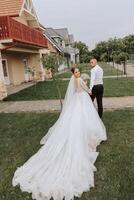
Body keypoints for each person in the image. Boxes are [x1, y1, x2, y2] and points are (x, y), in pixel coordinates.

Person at [12, 67, 107, 200]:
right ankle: (87, 137)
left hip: (76, 102)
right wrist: (89, 90)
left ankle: (83, 135)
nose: (78, 73)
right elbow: (87, 90)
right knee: (85, 119)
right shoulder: (79, 80)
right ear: (74, 74)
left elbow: (74, 92)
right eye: (76, 72)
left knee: (75, 121)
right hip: (82, 101)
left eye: (78, 72)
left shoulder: (73, 80)